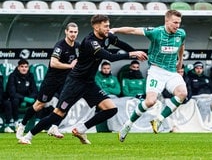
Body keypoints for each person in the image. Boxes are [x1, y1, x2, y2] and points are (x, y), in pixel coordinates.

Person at [18, 14, 147, 145]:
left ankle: (81, 129)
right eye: (106, 26)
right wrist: (131, 54)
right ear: (96, 27)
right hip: (75, 82)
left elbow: (120, 44)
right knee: (58, 114)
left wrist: (137, 52)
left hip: (89, 83)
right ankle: (28, 136)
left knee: (111, 109)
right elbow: (110, 57)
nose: (109, 28)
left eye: (109, 26)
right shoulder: (90, 42)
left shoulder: (108, 36)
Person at [111, 9, 187, 142]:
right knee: (150, 101)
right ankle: (127, 125)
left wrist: (180, 62)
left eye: (179, 23)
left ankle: (158, 120)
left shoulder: (181, 33)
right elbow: (133, 31)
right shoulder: (156, 32)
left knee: (182, 93)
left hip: (171, 71)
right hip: (156, 71)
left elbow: (181, 45)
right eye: (175, 22)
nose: (177, 26)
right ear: (167, 21)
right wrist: (115, 29)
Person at [16, 22, 79, 139]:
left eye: (75, 32)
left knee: (65, 104)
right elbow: (53, 63)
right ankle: (22, 124)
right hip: (52, 81)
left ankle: (54, 127)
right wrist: (70, 66)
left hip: (65, 82)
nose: (73, 34)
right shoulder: (60, 46)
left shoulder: (77, 47)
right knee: (39, 104)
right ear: (66, 32)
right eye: (71, 32)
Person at [4, 59, 38, 133]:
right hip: (16, 98)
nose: (24, 68)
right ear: (18, 67)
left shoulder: (30, 76)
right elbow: (12, 93)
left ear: (28, 68)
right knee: (14, 100)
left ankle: (37, 122)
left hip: (27, 98)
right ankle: (16, 123)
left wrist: (30, 98)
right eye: (22, 66)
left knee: (39, 100)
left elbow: (35, 91)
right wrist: (24, 99)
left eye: (26, 67)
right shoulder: (12, 76)